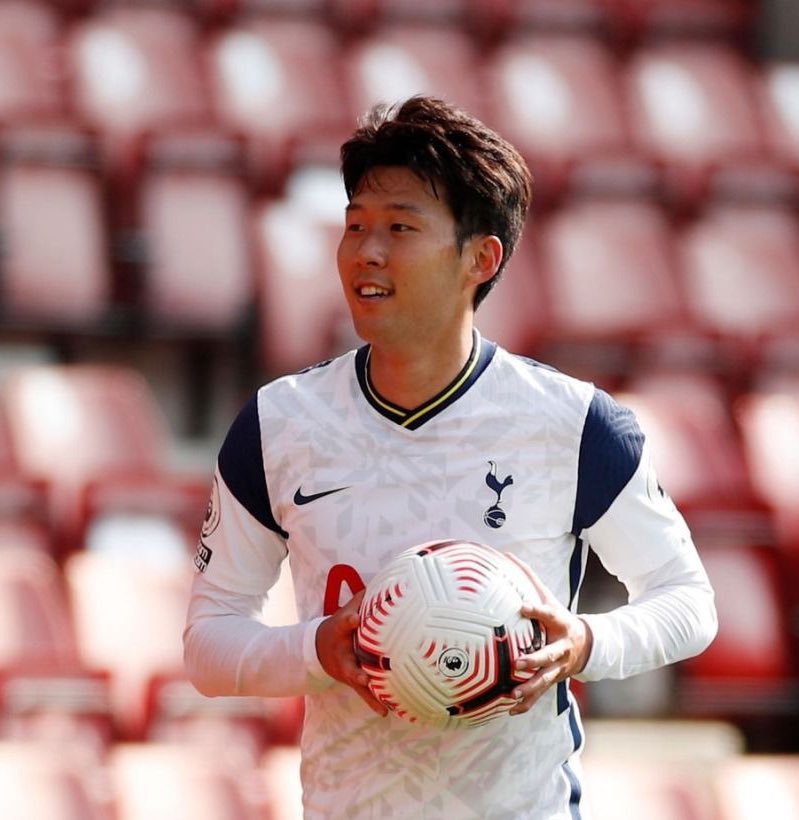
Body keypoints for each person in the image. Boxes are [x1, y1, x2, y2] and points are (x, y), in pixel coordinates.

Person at [183, 95, 717, 819]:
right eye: (355, 226)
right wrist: (316, 651)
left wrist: (587, 643)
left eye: (399, 227)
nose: (367, 252)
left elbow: (687, 602)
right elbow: (208, 643)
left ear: (479, 258)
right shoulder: (279, 424)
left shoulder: (574, 424)